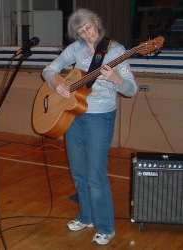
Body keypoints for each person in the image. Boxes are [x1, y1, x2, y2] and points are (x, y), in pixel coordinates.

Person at [42, 9, 137, 245]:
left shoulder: (115, 51)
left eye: (88, 28)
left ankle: (106, 227)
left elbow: (131, 89)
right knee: (78, 172)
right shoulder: (75, 49)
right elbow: (48, 70)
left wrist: (115, 79)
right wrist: (56, 85)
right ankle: (86, 216)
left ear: (97, 23)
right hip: (73, 114)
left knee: (95, 175)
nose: (86, 34)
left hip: (100, 117)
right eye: (81, 31)